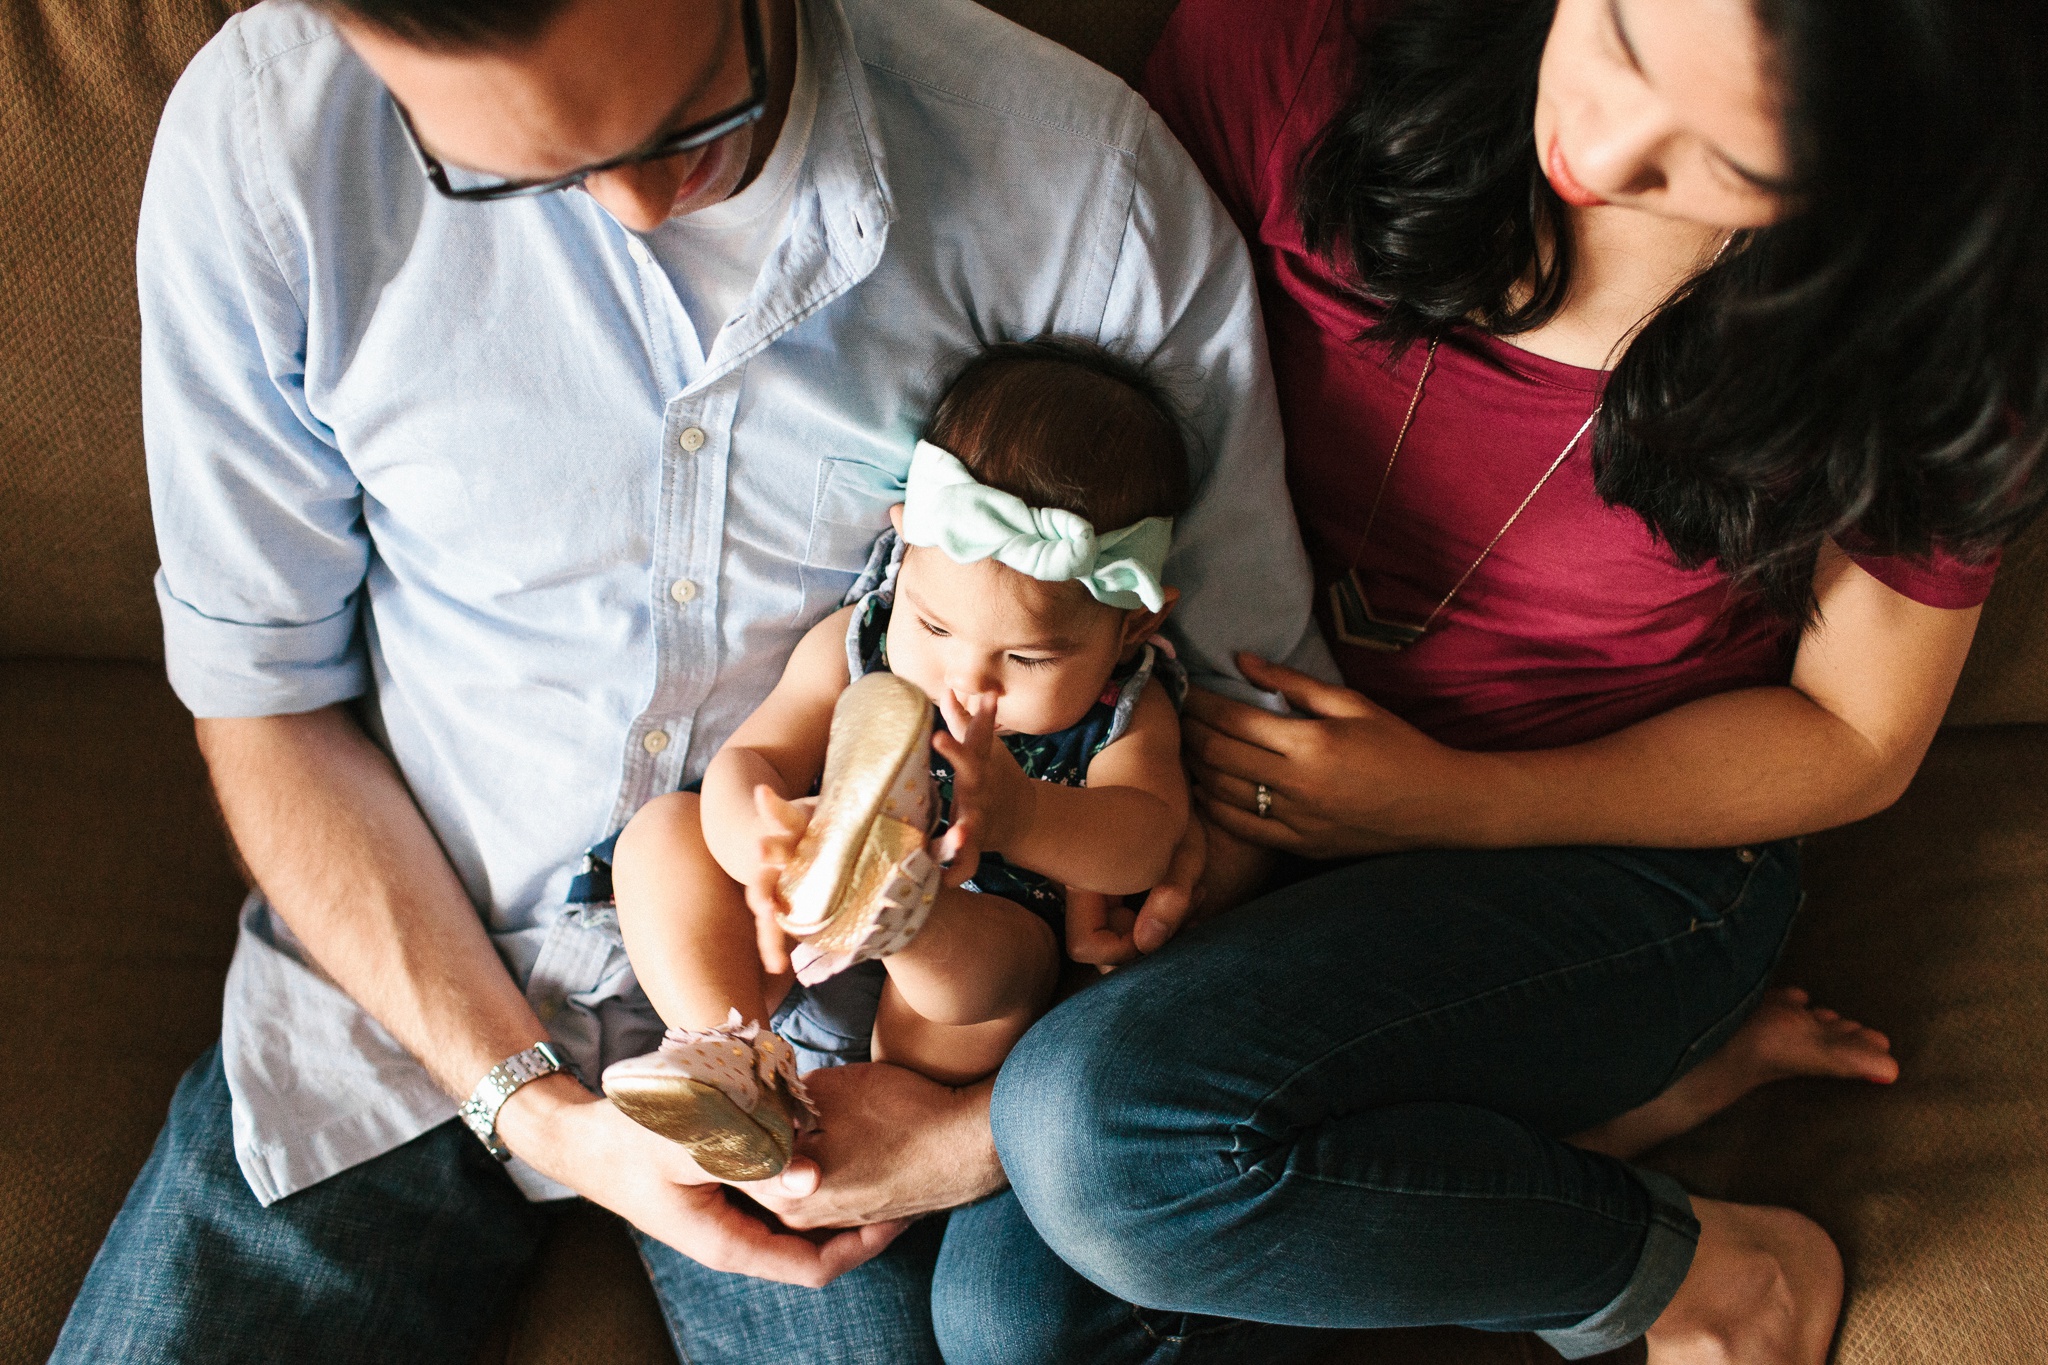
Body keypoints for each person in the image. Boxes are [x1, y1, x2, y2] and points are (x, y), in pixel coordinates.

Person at [49, 0, 1333, 1358]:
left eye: (699, 129)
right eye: (518, 173)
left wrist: (972, 1134)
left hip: (841, 1074)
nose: (642, 210)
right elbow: (266, 699)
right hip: (405, 1000)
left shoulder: (1089, 202)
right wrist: (532, 1106)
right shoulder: (270, 134)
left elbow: (1253, 758)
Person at [967, 0, 2048, 1362]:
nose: (1596, 149)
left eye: (1724, 159)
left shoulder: (1936, 340)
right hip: (1225, 789)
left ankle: (1715, 1276)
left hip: (1616, 855)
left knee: (1097, 1144)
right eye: (1617, 38)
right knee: (1014, 1312)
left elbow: (1858, 736)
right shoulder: (1309, 49)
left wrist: (1447, 802)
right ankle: (1595, 1128)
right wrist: (1150, 776)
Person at [603, 340, 1191, 1175]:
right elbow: (756, 755)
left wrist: (1023, 814)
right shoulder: (862, 641)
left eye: (1027, 660)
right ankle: (727, 1058)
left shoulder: (1123, 709)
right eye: (937, 627)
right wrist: (765, 839)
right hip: (783, 934)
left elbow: (1145, 841)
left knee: (996, 970)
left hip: (961, 956)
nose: (968, 679)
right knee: (662, 835)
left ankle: (899, 934)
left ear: (1132, 626)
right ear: (903, 551)